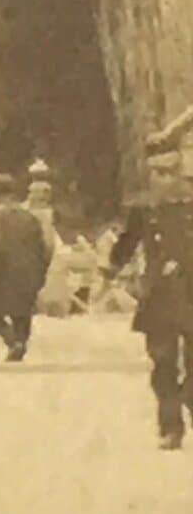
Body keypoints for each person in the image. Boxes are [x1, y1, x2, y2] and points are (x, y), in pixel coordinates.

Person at [106, 126, 193, 449]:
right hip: (159, 296)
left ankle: (190, 398)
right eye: (157, 173)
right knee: (163, 362)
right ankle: (171, 427)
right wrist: (111, 267)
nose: (164, 180)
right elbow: (127, 242)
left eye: (170, 172)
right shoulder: (144, 208)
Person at [0, 173, 53, 362]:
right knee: (22, 312)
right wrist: (41, 271)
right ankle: (20, 341)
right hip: (29, 272)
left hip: (2, 272)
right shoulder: (29, 218)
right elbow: (45, 247)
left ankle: (12, 340)